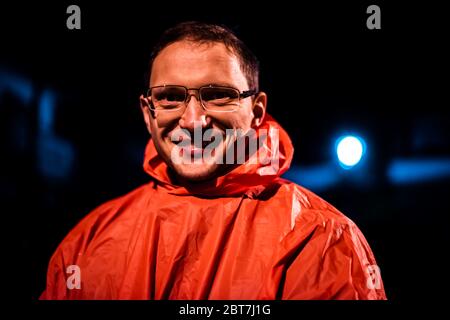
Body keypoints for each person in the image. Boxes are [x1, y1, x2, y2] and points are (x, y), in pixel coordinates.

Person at [40, 21, 386, 300]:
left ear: (257, 112)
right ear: (148, 114)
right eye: (171, 97)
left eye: (218, 96)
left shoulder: (321, 238)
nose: (193, 121)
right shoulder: (86, 243)